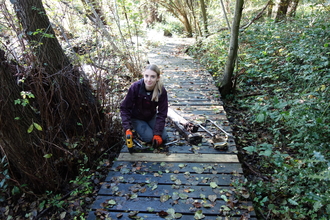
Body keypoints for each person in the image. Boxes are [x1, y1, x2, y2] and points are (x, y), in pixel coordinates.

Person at [120, 64, 168, 147]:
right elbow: (124, 108)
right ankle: (137, 130)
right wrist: (127, 128)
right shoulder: (135, 87)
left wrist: (157, 133)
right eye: (146, 76)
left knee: (163, 137)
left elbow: (162, 113)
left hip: (151, 116)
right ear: (143, 75)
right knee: (149, 138)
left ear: (158, 78)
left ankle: (154, 131)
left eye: (153, 77)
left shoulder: (161, 90)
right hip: (136, 117)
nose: (149, 80)